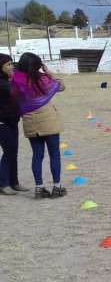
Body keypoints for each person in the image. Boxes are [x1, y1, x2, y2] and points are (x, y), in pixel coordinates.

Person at [9, 52, 66, 199]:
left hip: (30, 122)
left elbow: (15, 101)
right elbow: (60, 86)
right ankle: (57, 186)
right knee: (54, 154)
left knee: (37, 155)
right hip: (49, 121)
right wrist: (48, 72)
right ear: (38, 65)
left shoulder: (16, 82)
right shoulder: (43, 79)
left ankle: (39, 188)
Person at [0, 54, 29, 195]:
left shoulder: (8, 79)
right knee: (9, 151)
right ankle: (3, 183)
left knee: (14, 152)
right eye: (8, 64)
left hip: (12, 120)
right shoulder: (2, 82)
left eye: (12, 63)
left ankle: (14, 182)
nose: (11, 66)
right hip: (2, 122)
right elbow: (15, 91)